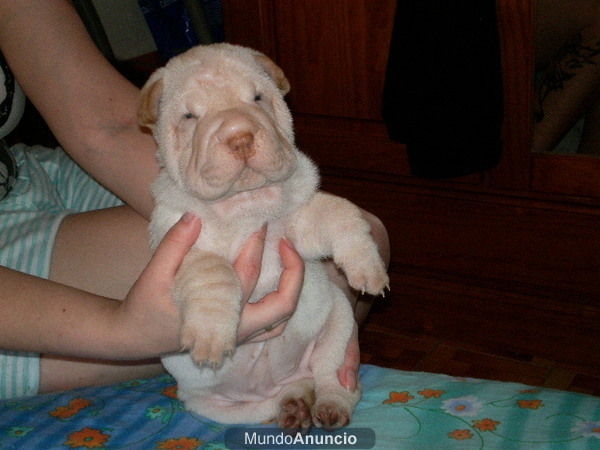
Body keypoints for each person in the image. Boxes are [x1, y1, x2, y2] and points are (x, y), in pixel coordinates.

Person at [0, 0, 390, 399]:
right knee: (217, 303)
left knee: (357, 240)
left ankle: (299, 372)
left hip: (29, 174)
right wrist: (120, 329)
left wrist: (325, 304)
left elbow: (108, 122)